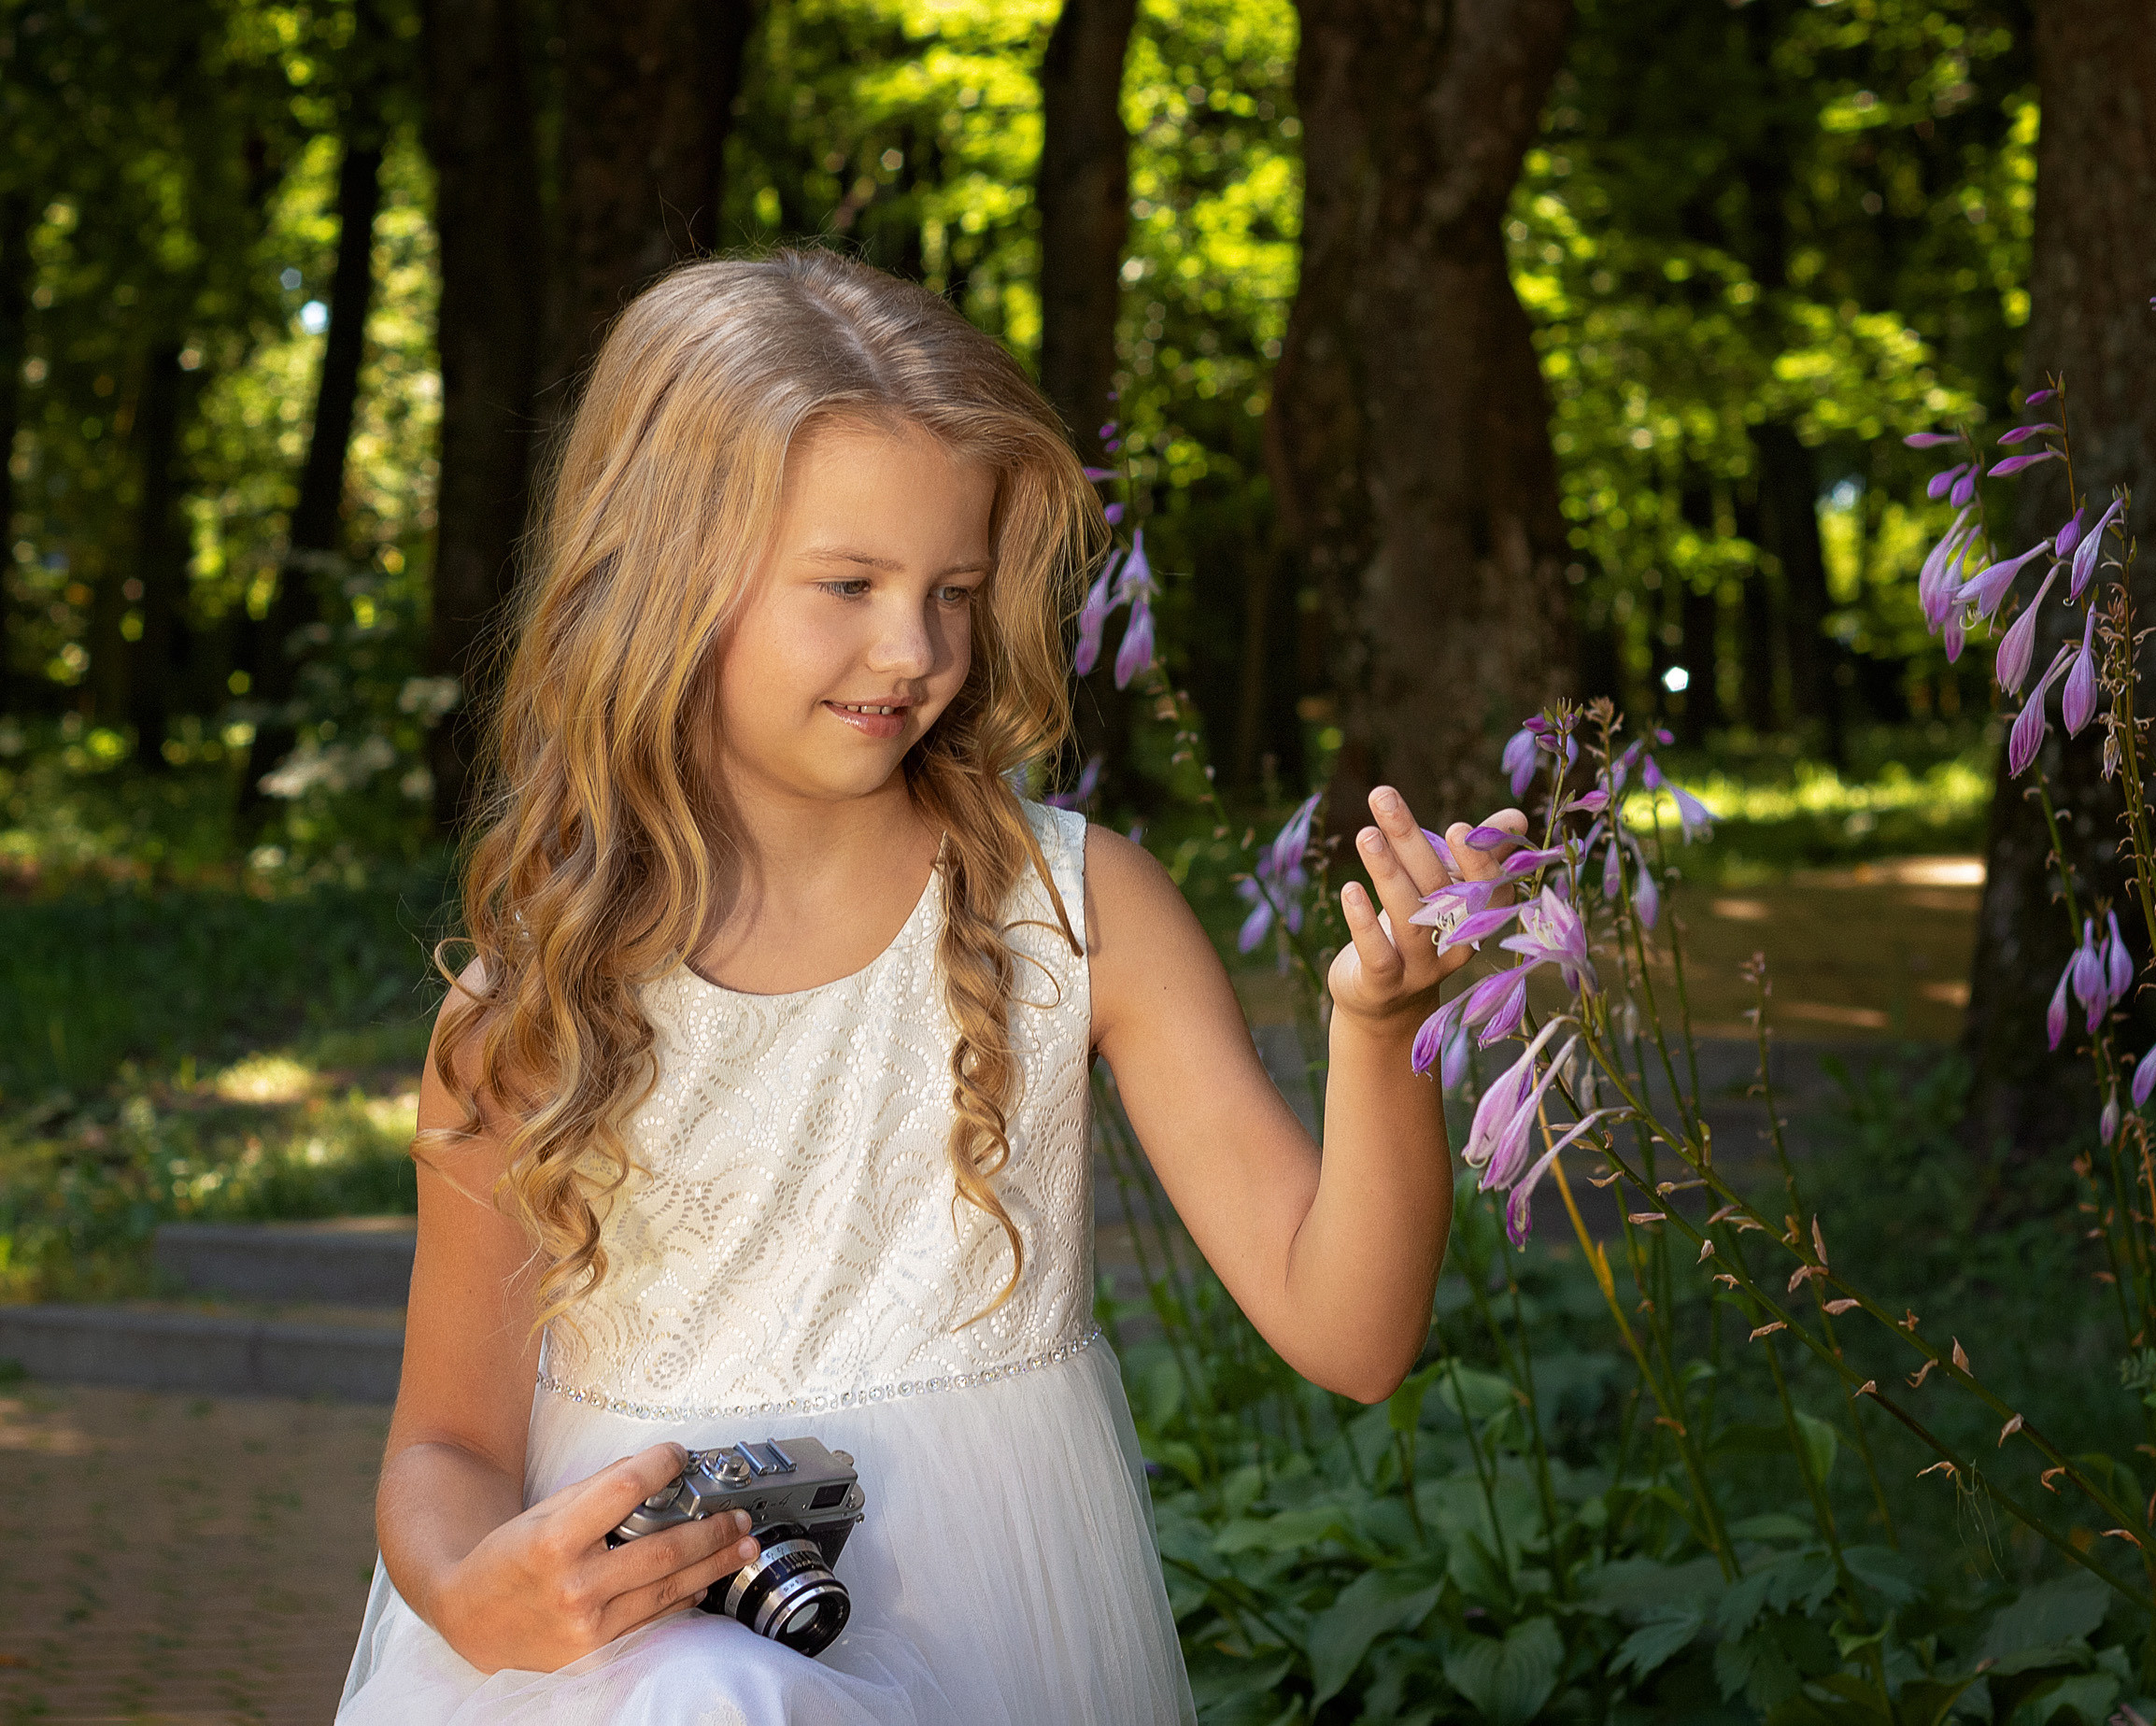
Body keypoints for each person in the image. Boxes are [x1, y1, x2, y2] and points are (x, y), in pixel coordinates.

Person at [336, 249, 1523, 1725]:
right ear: (663, 575)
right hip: (617, 1660)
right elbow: (445, 1441)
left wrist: (1381, 1026)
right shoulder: (534, 1005)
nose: (914, 652)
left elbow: (1352, 1337)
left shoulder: (1076, 917)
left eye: (953, 591)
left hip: (997, 1633)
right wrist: (466, 1587)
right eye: (847, 585)